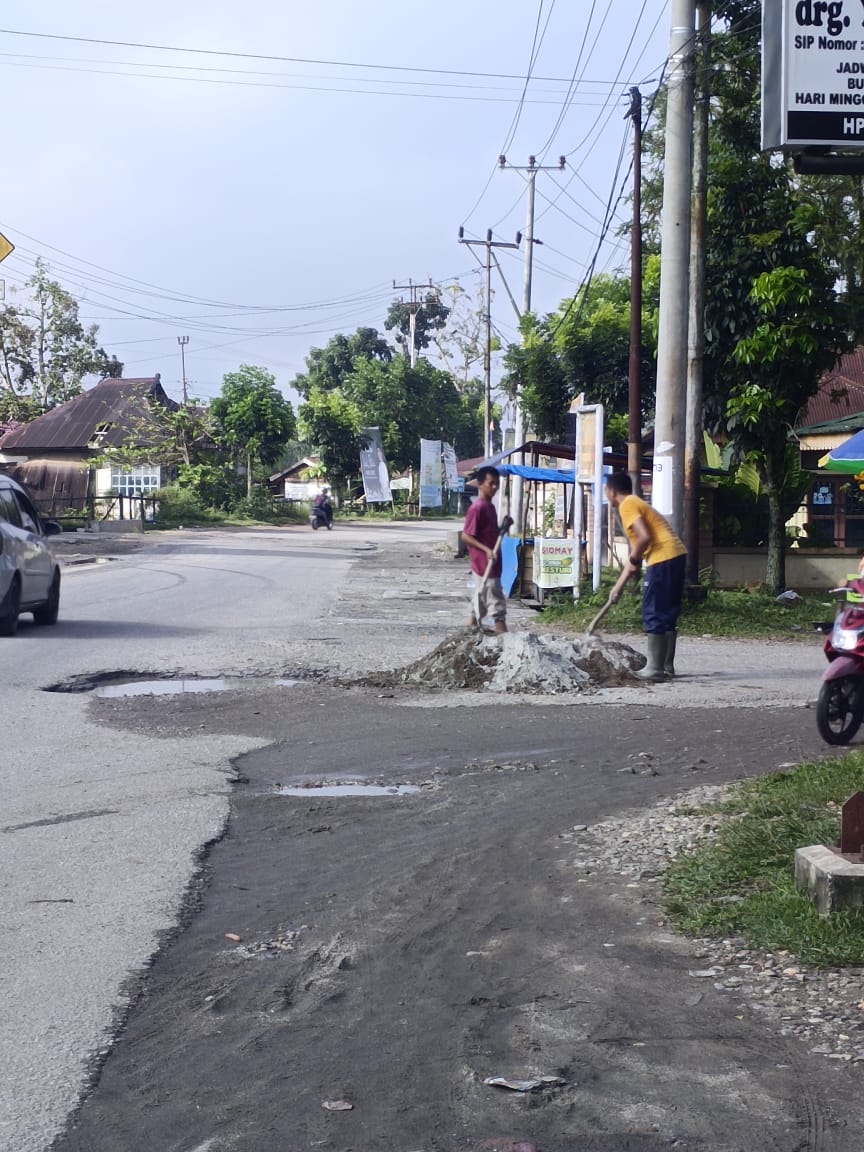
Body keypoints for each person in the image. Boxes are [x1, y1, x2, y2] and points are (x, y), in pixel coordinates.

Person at [605, 471, 687, 680]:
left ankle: (655, 669)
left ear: (611, 491)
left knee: (654, 610)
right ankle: (665, 666)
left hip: (662, 558)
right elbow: (634, 559)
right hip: (676, 555)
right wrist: (618, 587)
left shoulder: (627, 504)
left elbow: (643, 537)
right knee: (667, 612)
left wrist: (634, 561)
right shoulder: (636, 502)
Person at [461, 465, 507, 634]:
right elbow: (466, 536)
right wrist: (486, 550)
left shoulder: (490, 507)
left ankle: (468, 634)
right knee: (496, 605)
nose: (494, 487)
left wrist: (503, 528)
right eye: (491, 483)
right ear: (480, 484)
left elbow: (489, 534)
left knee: (479, 602)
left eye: (497, 484)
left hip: (492, 564)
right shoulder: (477, 508)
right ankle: (504, 639)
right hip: (484, 564)